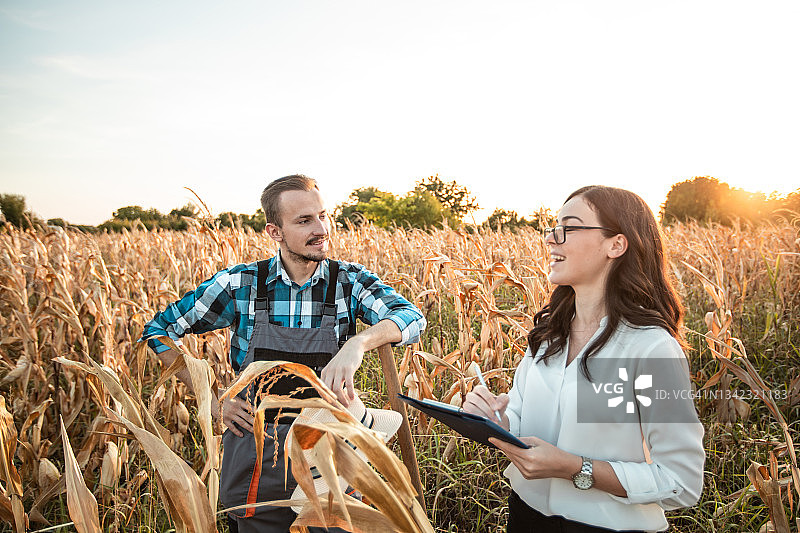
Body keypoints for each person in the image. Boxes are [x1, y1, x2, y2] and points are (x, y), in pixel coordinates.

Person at [141, 174, 426, 532]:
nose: (321, 228)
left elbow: (410, 317)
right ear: (274, 231)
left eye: (323, 215)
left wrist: (358, 343)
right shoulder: (240, 284)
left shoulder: (348, 282)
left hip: (328, 452)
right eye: (304, 220)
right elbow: (160, 331)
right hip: (255, 452)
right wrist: (212, 400)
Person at [463, 185, 705, 532]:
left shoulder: (650, 348)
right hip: (524, 516)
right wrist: (495, 422)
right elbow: (522, 422)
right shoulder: (547, 335)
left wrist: (576, 468)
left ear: (616, 245)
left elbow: (681, 482)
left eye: (569, 227)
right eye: (553, 227)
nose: (551, 239)